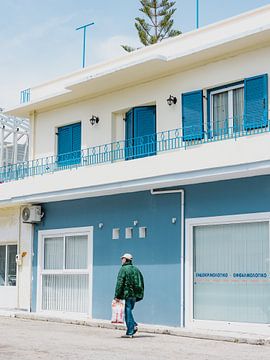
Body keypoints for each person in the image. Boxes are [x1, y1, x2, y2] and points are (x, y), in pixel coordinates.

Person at [114, 253, 144, 338]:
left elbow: (120, 283)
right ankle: (132, 325)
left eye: (122, 259)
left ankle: (131, 330)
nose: (121, 260)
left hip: (127, 294)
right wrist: (139, 294)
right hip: (134, 295)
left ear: (126, 260)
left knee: (127, 311)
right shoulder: (136, 269)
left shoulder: (123, 269)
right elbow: (141, 282)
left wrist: (117, 295)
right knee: (129, 311)